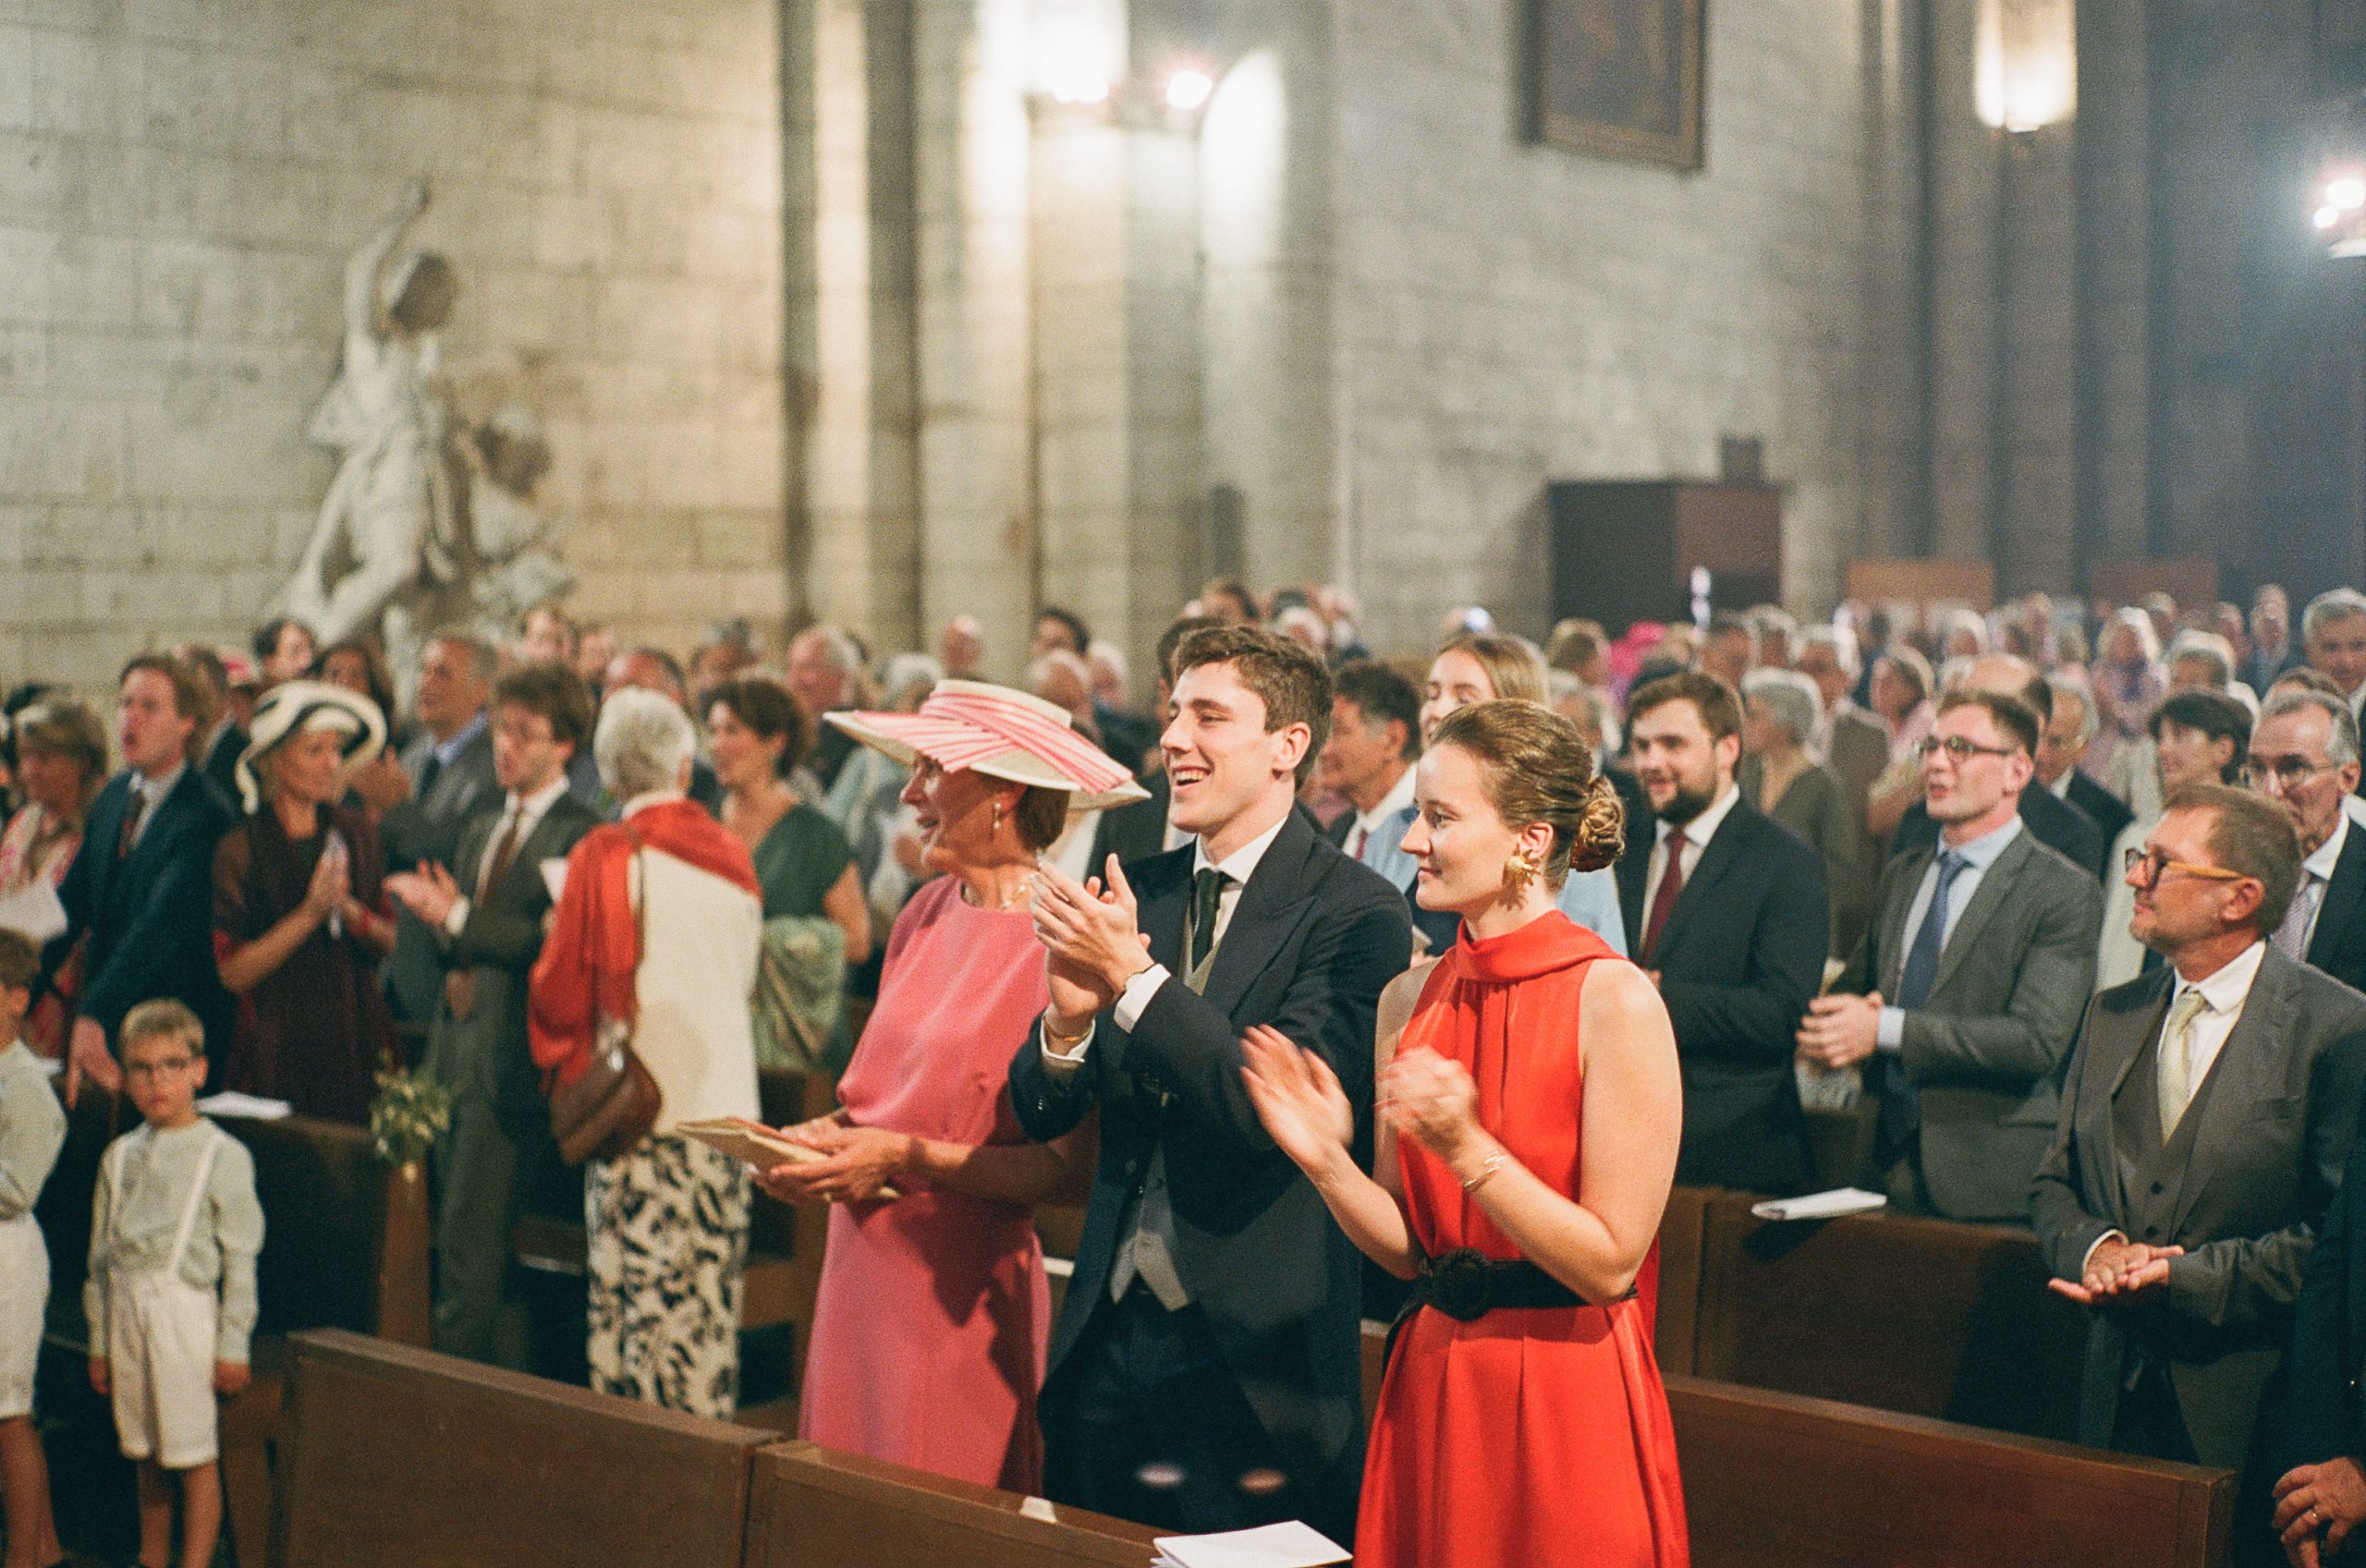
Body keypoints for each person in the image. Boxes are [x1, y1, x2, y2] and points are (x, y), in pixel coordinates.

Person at [1240, 699, 1687, 1566]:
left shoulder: (1616, 1000)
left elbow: (1610, 1262)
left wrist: (1467, 1148)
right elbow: (1411, 1249)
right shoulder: (1408, 998)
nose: (1412, 840)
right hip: (1436, 1374)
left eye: (1440, 817)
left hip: (1566, 1384)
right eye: (1416, 813)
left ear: (1529, 840)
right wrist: (1325, 1162)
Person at [1013, 625, 1411, 1540]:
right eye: (1171, 714)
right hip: (1105, 1338)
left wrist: (1134, 980)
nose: (1173, 738)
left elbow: (1268, 1109)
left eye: (1208, 716)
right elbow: (1037, 1109)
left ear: (1287, 745)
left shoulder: (1356, 911)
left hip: (1254, 1359)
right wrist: (1067, 1026)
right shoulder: (1139, 888)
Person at [758, 682, 1136, 1490]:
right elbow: (881, 1099)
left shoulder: (1066, 936)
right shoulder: (923, 910)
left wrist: (901, 1155)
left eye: (931, 769)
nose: (908, 794)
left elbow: (1066, 1171)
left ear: (1005, 793)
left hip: (959, 1296)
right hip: (859, 1273)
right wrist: (812, 1143)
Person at [2032, 787, 2366, 1518]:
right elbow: (2054, 1180)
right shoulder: (2112, 1011)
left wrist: (2182, 1279)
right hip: (2106, 1396)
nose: (2135, 876)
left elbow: (2332, 1242)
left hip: (2247, 1410)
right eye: (2139, 857)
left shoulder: (2336, 1028)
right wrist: (2098, 1248)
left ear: (2239, 898)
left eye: (2162, 863)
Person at [529, 688, 763, 1416]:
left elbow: (559, 1000)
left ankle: (641, 1479)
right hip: (725, 1117)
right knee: (700, 1327)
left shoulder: (603, 855)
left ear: (607, 773)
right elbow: (743, 980)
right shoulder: (734, 856)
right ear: (684, 767)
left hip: (638, 1115)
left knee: (632, 1330)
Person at [1799, 690, 2101, 1220]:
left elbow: (2035, 1041)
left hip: (1986, 1175)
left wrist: (1885, 1029)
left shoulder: (2062, 890)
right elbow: (1859, 991)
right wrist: (1830, 1031)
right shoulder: (1904, 874)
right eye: (1931, 747)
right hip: (1876, 1159)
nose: (1936, 763)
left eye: (1960, 748)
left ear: (2017, 771)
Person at [387, 661, 601, 1367]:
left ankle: (445, 1401)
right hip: (457, 1050)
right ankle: (494, 1390)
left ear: (565, 744)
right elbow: (467, 933)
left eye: (524, 733)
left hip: (513, 1062)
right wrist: (445, 925)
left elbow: (546, 938)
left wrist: (455, 917)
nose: (505, 746)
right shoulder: (483, 822)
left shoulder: (581, 832)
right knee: (457, 1242)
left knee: (470, 1247)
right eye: (501, 730)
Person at [1622, 672, 1828, 1195]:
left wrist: (1656, 998)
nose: (1651, 762)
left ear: (1727, 749)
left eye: (1673, 744)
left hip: (1732, 1148)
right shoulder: (1618, 849)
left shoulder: (1785, 862)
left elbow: (1781, 1013)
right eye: (1642, 746)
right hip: (1618, 1134)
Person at [83, 1000, 263, 1568]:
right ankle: (152, 1557)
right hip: (128, 1316)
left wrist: (233, 1345)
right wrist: (100, 1342)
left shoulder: (222, 1155)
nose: (157, 1081)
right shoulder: (119, 1157)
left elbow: (241, 1261)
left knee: (192, 1454)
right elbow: (100, 1262)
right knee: (147, 1453)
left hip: (184, 1321)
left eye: (171, 1065)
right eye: (141, 1068)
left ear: (199, 1071)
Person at [39, 655, 237, 1105]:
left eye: (150, 706)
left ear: (186, 721)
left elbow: (160, 926)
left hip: (173, 1032)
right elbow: (70, 905)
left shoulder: (205, 812)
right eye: (126, 703)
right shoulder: (114, 794)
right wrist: (14, 978)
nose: (131, 718)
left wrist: (95, 1012)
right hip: (113, 1023)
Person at [212, 681, 398, 1123]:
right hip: (277, 1046)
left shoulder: (356, 832)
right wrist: (310, 913)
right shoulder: (241, 848)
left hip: (355, 1040)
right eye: (315, 750)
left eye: (336, 749)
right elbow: (233, 973)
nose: (332, 763)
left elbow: (390, 941)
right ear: (275, 760)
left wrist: (348, 910)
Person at [1413, 636, 1628, 957]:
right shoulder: (1399, 824)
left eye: (1463, 699)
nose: (1436, 710)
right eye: (1432, 694)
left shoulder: (1565, 834)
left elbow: (1590, 963)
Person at [708, 675, 868, 1071]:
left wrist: (770, 940)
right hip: (718, 1028)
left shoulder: (816, 835)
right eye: (712, 731)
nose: (717, 744)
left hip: (794, 1042)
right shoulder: (703, 828)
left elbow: (856, 940)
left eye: (732, 730)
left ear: (775, 742)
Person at [380, 632, 499, 1027]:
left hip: (444, 969)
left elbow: (456, 854)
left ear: (481, 690)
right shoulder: (412, 754)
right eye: (424, 670)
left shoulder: (495, 766)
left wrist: (393, 807)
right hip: (393, 960)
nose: (426, 683)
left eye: (443, 673)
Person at [2095, 691, 2250, 990]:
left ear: (2223, 750)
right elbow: (2114, 940)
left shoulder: (2242, 844)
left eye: (2179, 736)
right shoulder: (2135, 837)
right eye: (2161, 738)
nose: (2163, 749)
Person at [0, 930, 64, 1568]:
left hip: (8, 1260)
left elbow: (16, 1187)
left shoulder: (24, 1086)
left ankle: (23, 1556)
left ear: (17, 999)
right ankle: (43, 1549)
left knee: (8, 1413)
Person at [1739, 667, 1872, 955]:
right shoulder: (1749, 774)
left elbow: (1840, 865)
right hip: (1747, 920)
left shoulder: (1822, 784)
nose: (1744, 723)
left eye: (1754, 715)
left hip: (1799, 927)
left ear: (1785, 725)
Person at [0, 698, 106, 1055]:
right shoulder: (22, 823)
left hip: (66, 1005)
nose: (29, 771)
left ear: (82, 762)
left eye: (43, 758)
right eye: (25, 756)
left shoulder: (98, 832)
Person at [2248, 690, 2366, 994]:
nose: (2270, 791)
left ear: (2347, 778)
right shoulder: (2227, 869)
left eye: (2294, 769)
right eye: (2258, 769)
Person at [1319, 660, 1421, 865]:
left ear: (1392, 740)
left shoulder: (1433, 826)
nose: (1324, 750)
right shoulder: (1340, 829)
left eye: (1340, 732)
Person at [2037, 678, 2136, 860]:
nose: (2039, 752)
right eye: (2036, 736)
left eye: (2055, 742)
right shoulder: (1995, 787)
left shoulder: (2111, 820)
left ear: (2082, 748)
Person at [2303, 590, 2366, 734]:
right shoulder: (2293, 712)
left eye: (2358, 646)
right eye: (2332, 648)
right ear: (2309, 652)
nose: (2347, 663)